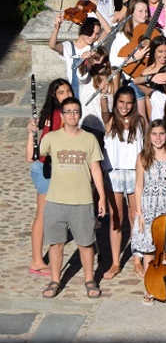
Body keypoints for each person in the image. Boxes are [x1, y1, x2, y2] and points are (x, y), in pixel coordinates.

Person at [32, 97, 106, 299]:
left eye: (76, 111)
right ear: (62, 116)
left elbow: (96, 169)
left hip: (82, 201)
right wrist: (32, 134)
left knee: (86, 243)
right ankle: (55, 280)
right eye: (68, 112)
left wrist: (101, 197)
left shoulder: (89, 139)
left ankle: (90, 279)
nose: (73, 115)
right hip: (56, 200)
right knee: (56, 243)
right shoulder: (52, 138)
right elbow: (33, 156)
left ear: (79, 114)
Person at [133, 124, 166, 303]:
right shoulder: (143, 157)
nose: (158, 138)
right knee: (150, 250)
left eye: (161, 134)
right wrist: (139, 212)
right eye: (154, 134)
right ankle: (150, 287)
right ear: (149, 136)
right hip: (149, 207)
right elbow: (139, 185)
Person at [25, 79, 72, 279]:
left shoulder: (55, 114)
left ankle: (42, 257)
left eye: (68, 90)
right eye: (61, 92)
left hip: (48, 168)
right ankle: (37, 260)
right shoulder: (56, 116)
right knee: (43, 215)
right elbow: (33, 154)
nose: (66, 94)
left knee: (48, 215)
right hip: (47, 169)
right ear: (54, 96)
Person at [99, 86, 145, 279]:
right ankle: (116, 262)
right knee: (116, 218)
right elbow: (104, 111)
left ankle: (137, 259)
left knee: (136, 217)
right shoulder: (110, 121)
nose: (125, 107)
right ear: (115, 102)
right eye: (121, 102)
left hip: (135, 172)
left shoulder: (140, 122)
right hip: (115, 173)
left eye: (128, 103)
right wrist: (103, 96)